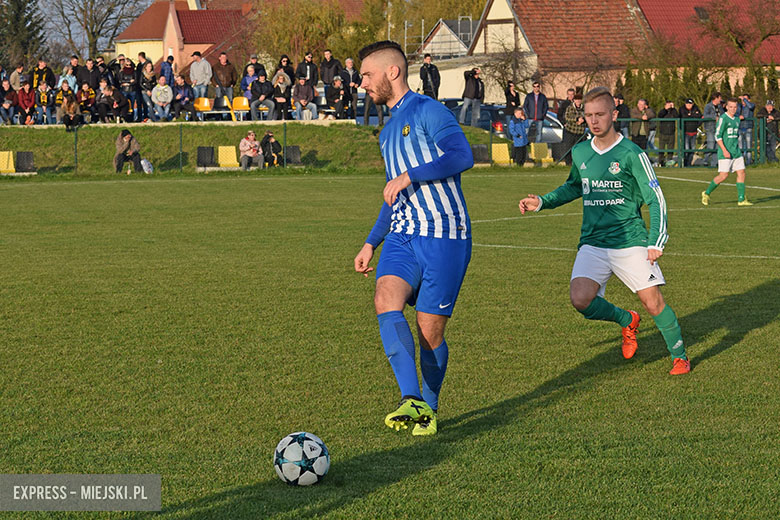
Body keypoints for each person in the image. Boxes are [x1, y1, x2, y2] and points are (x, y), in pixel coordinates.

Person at [518, 86, 691, 376]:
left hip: (630, 240)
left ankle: (679, 356)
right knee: (580, 299)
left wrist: (656, 240)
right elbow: (574, 186)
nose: (594, 121)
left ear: (614, 114)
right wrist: (543, 202)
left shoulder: (631, 153)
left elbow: (655, 198)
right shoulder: (581, 151)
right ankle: (627, 320)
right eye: (589, 115)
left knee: (652, 302)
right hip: (593, 242)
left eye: (600, 114)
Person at [353, 40, 474, 436]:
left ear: (393, 72)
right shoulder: (387, 132)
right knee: (384, 298)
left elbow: (462, 156)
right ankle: (411, 399)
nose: (362, 83)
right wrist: (371, 242)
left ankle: (429, 408)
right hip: (403, 235)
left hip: (444, 236)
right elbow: (394, 194)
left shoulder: (429, 110)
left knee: (429, 331)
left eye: (367, 75)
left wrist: (411, 175)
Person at [701, 97, 753, 207]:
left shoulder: (737, 119)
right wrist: (724, 150)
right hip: (725, 152)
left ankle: (741, 199)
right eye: (731, 107)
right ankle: (706, 193)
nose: (733, 109)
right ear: (727, 107)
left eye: (735, 107)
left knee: (741, 173)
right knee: (723, 175)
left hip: (736, 151)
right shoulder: (723, 119)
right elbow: (717, 136)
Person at [563, 93, 586, 165]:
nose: (578, 101)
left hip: (580, 132)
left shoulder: (585, 108)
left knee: (579, 149)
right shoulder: (570, 108)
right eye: (576, 100)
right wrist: (576, 119)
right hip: (570, 131)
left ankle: (577, 163)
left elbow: (588, 116)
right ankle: (568, 163)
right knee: (569, 148)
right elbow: (567, 117)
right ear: (574, 100)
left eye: (579, 100)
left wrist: (583, 120)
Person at [679, 98, 702, 167]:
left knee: (692, 149)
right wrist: (694, 115)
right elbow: (683, 116)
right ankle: (685, 163)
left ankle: (689, 163)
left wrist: (691, 115)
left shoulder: (696, 108)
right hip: (685, 132)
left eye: (690, 104)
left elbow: (700, 116)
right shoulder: (682, 109)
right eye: (687, 104)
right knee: (686, 149)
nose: (689, 105)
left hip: (694, 132)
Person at [702, 92, 723, 167]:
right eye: (720, 98)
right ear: (716, 98)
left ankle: (714, 163)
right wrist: (714, 117)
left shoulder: (720, 107)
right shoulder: (708, 106)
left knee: (717, 145)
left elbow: (723, 114)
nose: (721, 100)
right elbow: (705, 115)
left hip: (718, 128)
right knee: (711, 145)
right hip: (710, 128)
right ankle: (705, 161)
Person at [656, 100, 679, 165]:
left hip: (671, 132)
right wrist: (665, 109)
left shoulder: (673, 111)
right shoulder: (663, 111)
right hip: (663, 132)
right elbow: (660, 115)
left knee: (670, 148)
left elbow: (677, 116)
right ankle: (661, 162)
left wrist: (673, 108)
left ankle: (669, 161)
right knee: (661, 148)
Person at [737, 93, 755, 165]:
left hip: (748, 127)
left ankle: (748, 162)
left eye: (745, 99)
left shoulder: (751, 105)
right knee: (740, 146)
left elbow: (750, 106)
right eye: (742, 99)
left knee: (748, 146)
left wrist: (744, 99)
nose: (743, 101)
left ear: (749, 100)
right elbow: (734, 113)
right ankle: (741, 162)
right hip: (740, 127)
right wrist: (738, 116)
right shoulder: (739, 106)